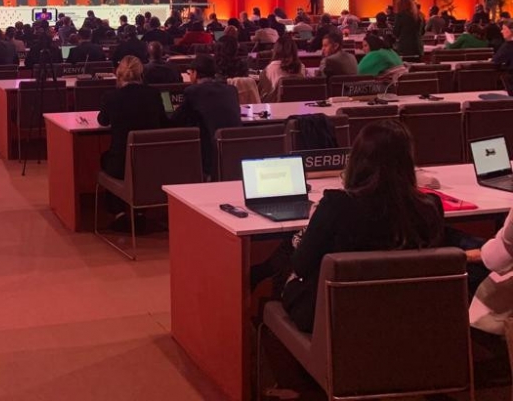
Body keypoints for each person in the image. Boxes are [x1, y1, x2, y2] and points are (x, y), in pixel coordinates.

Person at [281, 121, 444, 332]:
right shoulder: (430, 207)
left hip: (334, 318)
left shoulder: (336, 205)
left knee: (282, 265)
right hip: (407, 316)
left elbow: (301, 265)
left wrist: (313, 225)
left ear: (357, 160)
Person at [171, 54, 242, 180]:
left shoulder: (193, 91)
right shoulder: (231, 90)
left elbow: (176, 120)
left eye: (189, 73)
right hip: (235, 150)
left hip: (209, 154)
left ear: (195, 73)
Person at [97, 56, 167, 180]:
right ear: (141, 74)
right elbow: (163, 121)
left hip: (120, 166)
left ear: (118, 73)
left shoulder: (110, 97)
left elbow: (103, 121)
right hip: (152, 163)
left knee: (104, 157)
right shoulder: (154, 94)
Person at [259, 35, 305, 102]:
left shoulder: (269, 69)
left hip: (276, 105)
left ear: (275, 50)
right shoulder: (301, 67)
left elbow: (264, 93)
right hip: (298, 105)